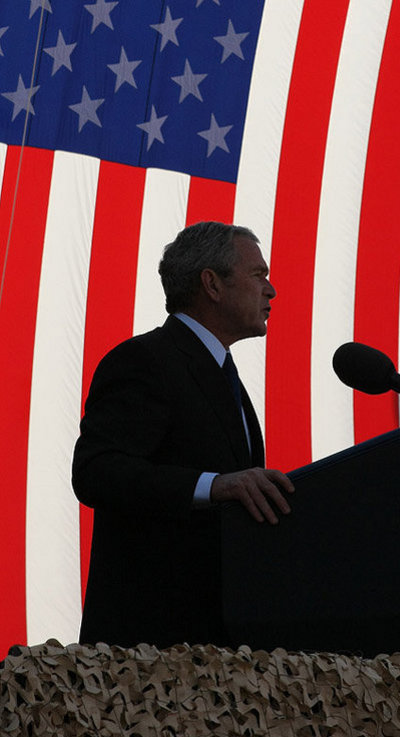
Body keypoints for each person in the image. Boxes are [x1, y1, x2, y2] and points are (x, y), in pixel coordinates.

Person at [72, 221, 294, 649]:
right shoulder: (144, 361)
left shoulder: (224, 376)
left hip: (222, 654)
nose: (271, 290)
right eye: (258, 275)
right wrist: (213, 486)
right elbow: (97, 471)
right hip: (147, 658)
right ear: (211, 283)